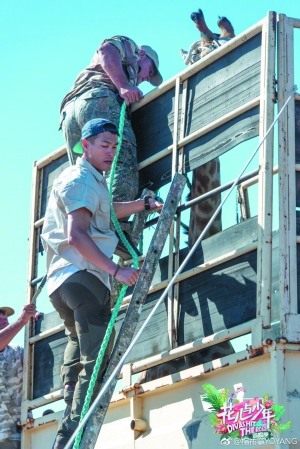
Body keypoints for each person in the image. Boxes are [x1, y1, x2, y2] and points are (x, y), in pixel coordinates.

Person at [41, 118, 162, 449]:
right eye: (104, 145)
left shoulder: (88, 180)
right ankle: (72, 435)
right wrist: (116, 270)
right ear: (86, 145)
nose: (110, 152)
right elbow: (76, 235)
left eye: (114, 147)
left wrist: (144, 204)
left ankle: (70, 396)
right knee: (97, 363)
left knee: (78, 346)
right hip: (85, 278)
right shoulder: (82, 180)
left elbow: (107, 212)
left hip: (63, 285)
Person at [59, 36, 163, 257]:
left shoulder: (107, 71)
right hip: (98, 100)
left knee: (87, 175)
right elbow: (107, 49)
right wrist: (124, 85)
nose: (145, 78)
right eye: (149, 70)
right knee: (119, 157)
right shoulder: (131, 49)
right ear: (142, 56)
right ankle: (117, 228)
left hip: (69, 115)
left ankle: (87, 230)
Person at [0, 304, 40, 449]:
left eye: (5, 319)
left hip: (22, 430)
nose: (4, 321)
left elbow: (36, 359)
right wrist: (21, 321)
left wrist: (36, 326)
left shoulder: (16, 350)